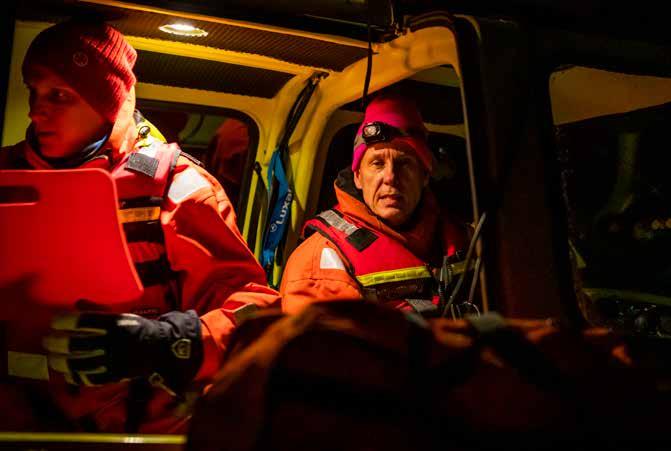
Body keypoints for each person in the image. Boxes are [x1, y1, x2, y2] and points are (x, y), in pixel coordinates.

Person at [0, 19, 279, 433]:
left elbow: (257, 313)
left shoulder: (179, 189)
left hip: (137, 432)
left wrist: (168, 343)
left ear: (106, 104)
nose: (36, 109)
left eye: (59, 94)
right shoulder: (7, 179)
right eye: (34, 92)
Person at [280, 93, 467, 315]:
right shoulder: (321, 259)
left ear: (425, 174)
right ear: (357, 176)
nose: (390, 176)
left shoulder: (465, 237)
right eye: (377, 164)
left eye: (404, 163)